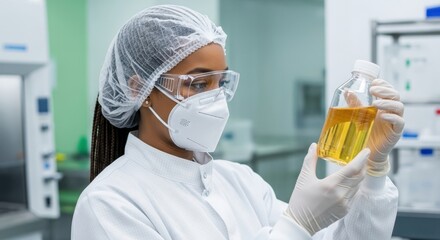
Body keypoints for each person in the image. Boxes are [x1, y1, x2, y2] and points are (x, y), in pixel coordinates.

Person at [71, 5, 404, 240]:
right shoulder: (110, 204)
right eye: (198, 84)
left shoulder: (238, 181)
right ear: (139, 88)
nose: (215, 100)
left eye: (221, 83)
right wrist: (296, 225)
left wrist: (373, 169)